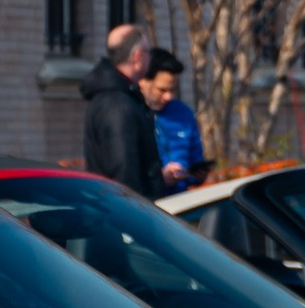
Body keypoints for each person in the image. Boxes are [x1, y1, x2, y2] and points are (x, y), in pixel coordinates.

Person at [79, 20, 161, 196]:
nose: (150, 58)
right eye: (148, 52)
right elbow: (123, 169)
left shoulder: (117, 97)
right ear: (138, 56)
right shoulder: (118, 105)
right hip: (126, 213)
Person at [143, 49, 208, 191]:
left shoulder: (183, 114)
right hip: (146, 204)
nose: (169, 97)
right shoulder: (132, 114)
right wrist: (158, 179)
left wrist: (197, 174)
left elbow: (195, 157)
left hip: (180, 200)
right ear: (143, 81)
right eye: (162, 90)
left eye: (173, 90)